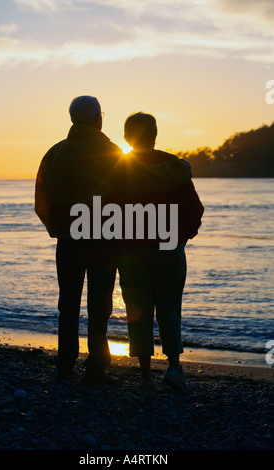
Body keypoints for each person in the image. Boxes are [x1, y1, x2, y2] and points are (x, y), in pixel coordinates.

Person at [35, 95, 123, 385]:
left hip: (69, 238)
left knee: (68, 302)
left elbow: (41, 199)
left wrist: (57, 228)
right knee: (99, 304)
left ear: (73, 119)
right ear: (98, 118)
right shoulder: (112, 151)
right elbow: (125, 198)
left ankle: (65, 364)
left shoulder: (55, 153)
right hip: (103, 239)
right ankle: (97, 368)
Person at [115, 112, 204, 392]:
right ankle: (175, 368)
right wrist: (182, 237)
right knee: (170, 307)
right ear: (155, 135)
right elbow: (195, 209)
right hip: (168, 246)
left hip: (132, 249)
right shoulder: (173, 167)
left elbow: (108, 210)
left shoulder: (119, 169)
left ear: (127, 137)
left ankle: (145, 376)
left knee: (138, 309)